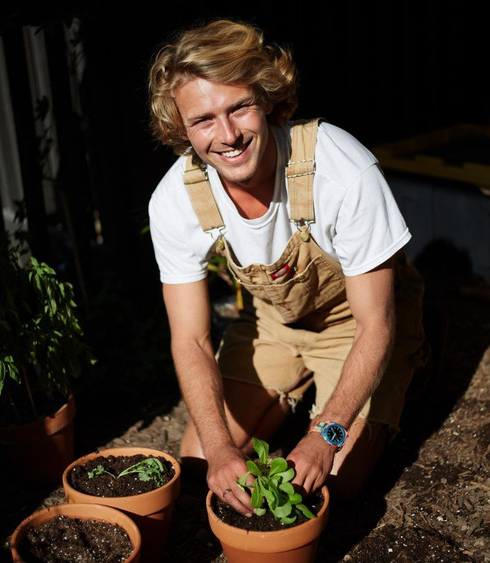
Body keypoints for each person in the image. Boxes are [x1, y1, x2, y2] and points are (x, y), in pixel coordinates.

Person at [146, 19, 425, 515]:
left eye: (239, 107)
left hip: (359, 323)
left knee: (331, 485)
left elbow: (375, 322)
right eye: (203, 120)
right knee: (198, 464)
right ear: (180, 128)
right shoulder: (174, 199)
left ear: (267, 99)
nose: (227, 135)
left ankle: (417, 352)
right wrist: (219, 449)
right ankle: (291, 394)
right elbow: (189, 339)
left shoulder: (341, 167)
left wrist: (326, 433)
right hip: (273, 324)